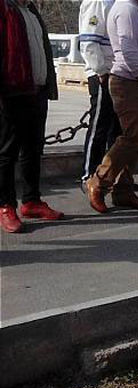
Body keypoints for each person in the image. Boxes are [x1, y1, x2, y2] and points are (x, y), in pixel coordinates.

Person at [85, 0, 138, 214]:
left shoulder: (130, 9)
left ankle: (123, 189)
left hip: (133, 80)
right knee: (132, 136)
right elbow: (126, 45)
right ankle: (99, 181)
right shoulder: (126, 9)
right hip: (130, 81)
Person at [0, 0, 64, 233]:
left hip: (36, 90)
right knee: (6, 153)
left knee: (33, 148)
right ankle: (5, 206)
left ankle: (31, 201)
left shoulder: (32, 11)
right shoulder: (5, 9)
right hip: (11, 91)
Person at [78, 0, 121, 184]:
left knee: (116, 128)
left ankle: (113, 174)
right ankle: (89, 175)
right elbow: (89, 41)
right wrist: (100, 70)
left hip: (117, 72)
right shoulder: (97, 2)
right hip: (103, 73)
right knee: (100, 125)